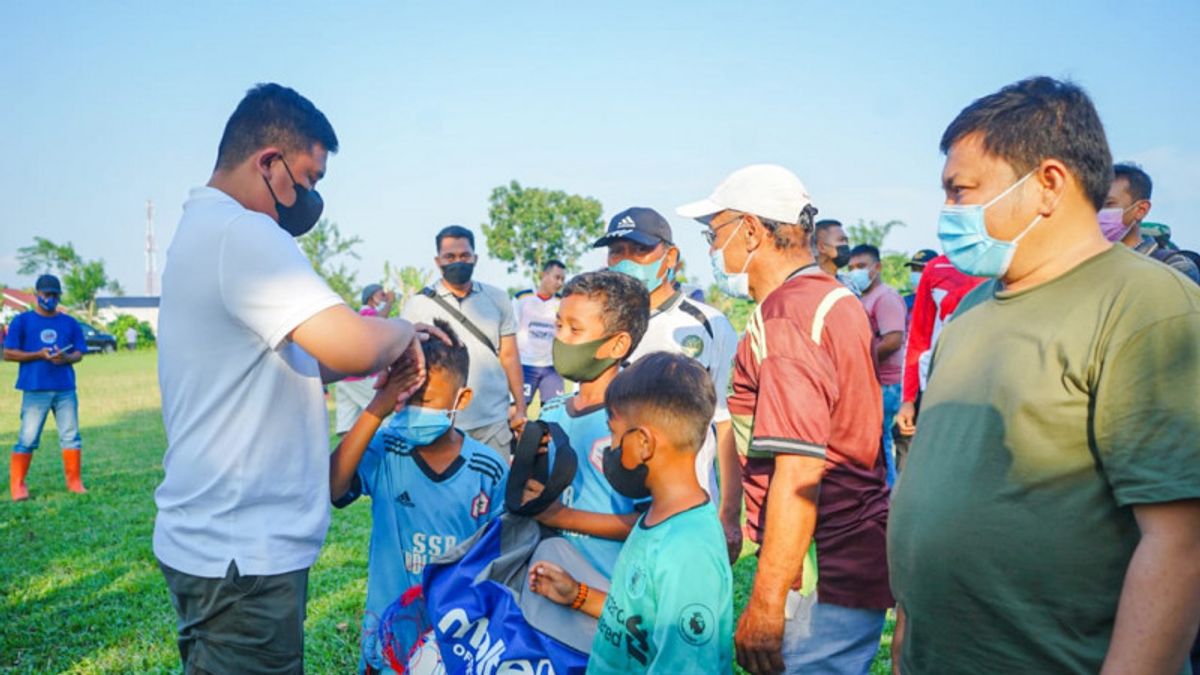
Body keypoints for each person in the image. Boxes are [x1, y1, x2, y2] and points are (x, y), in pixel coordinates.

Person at [889, 76, 1200, 674]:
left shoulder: (1147, 308)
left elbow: (1179, 543)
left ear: (1049, 185)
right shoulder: (974, 309)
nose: (949, 213)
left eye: (962, 191)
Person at [153, 83, 433, 674]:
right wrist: (406, 327)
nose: (311, 197)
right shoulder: (242, 233)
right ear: (268, 162)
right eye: (310, 177)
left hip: (216, 545)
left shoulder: (202, 232)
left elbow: (286, 362)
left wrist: (380, 379)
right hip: (242, 556)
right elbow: (352, 344)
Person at [678, 164, 891, 674]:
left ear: (751, 230)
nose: (711, 250)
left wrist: (768, 603)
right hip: (850, 551)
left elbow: (799, 471)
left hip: (820, 571)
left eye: (714, 234)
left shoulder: (788, 315)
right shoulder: (832, 298)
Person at [528, 352, 733, 674]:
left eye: (613, 433)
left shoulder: (688, 551)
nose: (611, 446)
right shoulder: (658, 518)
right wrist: (578, 595)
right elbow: (637, 614)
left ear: (643, 443)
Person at [330, 319, 507, 674]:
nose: (414, 408)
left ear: (462, 399)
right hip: (388, 633)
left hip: (458, 633)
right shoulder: (385, 452)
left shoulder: (488, 469)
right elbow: (332, 486)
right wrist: (378, 407)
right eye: (406, 396)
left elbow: (499, 558)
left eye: (425, 399)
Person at [595, 206, 741, 561]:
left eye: (639, 250)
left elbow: (725, 424)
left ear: (670, 256)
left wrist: (730, 514)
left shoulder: (708, 325)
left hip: (687, 507)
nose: (626, 260)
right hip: (610, 506)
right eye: (617, 251)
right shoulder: (597, 323)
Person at [534, 270, 650, 578]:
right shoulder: (552, 411)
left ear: (617, 345)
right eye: (558, 325)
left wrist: (562, 517)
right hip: (544, 590)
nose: (561, 338)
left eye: (575, 329)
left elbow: (650, 521)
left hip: (606, 595)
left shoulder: (635, 423)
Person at [402, 225, 527, 458]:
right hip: (440, 423)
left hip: (492, 422)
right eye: (449, 256)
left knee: (495, 491)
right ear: (438, 261)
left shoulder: (497, 298)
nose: (457, 261)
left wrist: (520, 407)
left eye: (464, 256)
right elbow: (408, 360)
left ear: (475, 258)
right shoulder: (417, 305)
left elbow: (509, 355)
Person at [892, 253, 984, 470]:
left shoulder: (1007, 266)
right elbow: (918, 339)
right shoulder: (936, 268)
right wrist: (908, 399)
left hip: (984, 388)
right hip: (938, 387)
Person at [3, 273, 87, 501]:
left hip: (65, 389)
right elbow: (8, 353)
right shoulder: (22, 321)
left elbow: (79, 352)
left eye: (54, 295)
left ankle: (75, 482)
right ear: (36, 295)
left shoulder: (68, 322)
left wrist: (67, 358)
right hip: (35, 388)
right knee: (28, 438)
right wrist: (38, 355)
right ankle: (18, 486)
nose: (50, 298)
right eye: (46, 294)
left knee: (71, 436)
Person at [846, 244, 906, 485]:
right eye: (851, 268)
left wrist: (858, 360)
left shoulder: (885, 298)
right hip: (873, 383)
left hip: (887, 384)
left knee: (883, 443)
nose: (855, 272)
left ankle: (888, 496)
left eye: (861, 266)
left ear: (877, 267)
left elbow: (893, 340)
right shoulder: (864, 298)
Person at [1101, 162, 1200, 283]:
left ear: (1141, 210)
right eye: (1092, 204)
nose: (1096, 212)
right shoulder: (1086, 267)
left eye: (1108, 204)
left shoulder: (1175, 268)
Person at [335, 284, 397, 436]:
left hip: (345, 375)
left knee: (347, 422)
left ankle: (347, 451)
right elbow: (381, 320)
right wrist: (390, 302)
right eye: (382, 295)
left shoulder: (360, 315)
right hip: (359, 375)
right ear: (371, 298)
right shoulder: (367, 313)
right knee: (382, 410)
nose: (385, 297)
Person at [513, 259, 566, 406]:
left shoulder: (562, 303)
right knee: (518, 411)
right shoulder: (521, 298)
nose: (560, 283)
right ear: (544, 275)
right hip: (525, 365)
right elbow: (510, 330)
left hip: (551, 367)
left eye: (562, 279)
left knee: (554, 411)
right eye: (557, 277)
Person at [901, 249, 938, 315]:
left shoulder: (941, 300)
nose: (916, 273)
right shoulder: (904, 303)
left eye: (921, 269)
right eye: (914, 269)